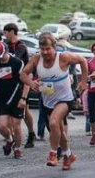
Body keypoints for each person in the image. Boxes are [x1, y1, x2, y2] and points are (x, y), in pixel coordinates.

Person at [22, 33, 88, 170]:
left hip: (65, 99)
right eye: (42, 49)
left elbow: (83, 60)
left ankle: (53, 154)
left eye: (48, 49)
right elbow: (23, 74)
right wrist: (31, 82)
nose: (45, 52)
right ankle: (68, 155)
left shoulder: (63, 57)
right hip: (47, 100)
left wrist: (83, 82)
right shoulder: (36, 59)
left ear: (54, 47)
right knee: (57, 129)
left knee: (53, 121)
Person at [0, 42, 29, 159]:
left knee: (16, 126)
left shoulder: (17, 63)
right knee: (1, 126)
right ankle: (9, 140)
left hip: (17, 98)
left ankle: (17, 149)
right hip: (2, 98)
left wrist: (24, 98)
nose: (0, 58)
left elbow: (26, 81)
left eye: (1, 55)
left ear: (6, 52)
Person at [3, 23, 36, 148]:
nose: (4, 35)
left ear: (11, 32)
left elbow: (15, 60)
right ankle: (12, 136)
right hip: (10, 81)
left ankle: (31, 133)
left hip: (23, 81)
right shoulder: (7, 44)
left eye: (5, 33)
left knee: (25, 110)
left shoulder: (20, 46)